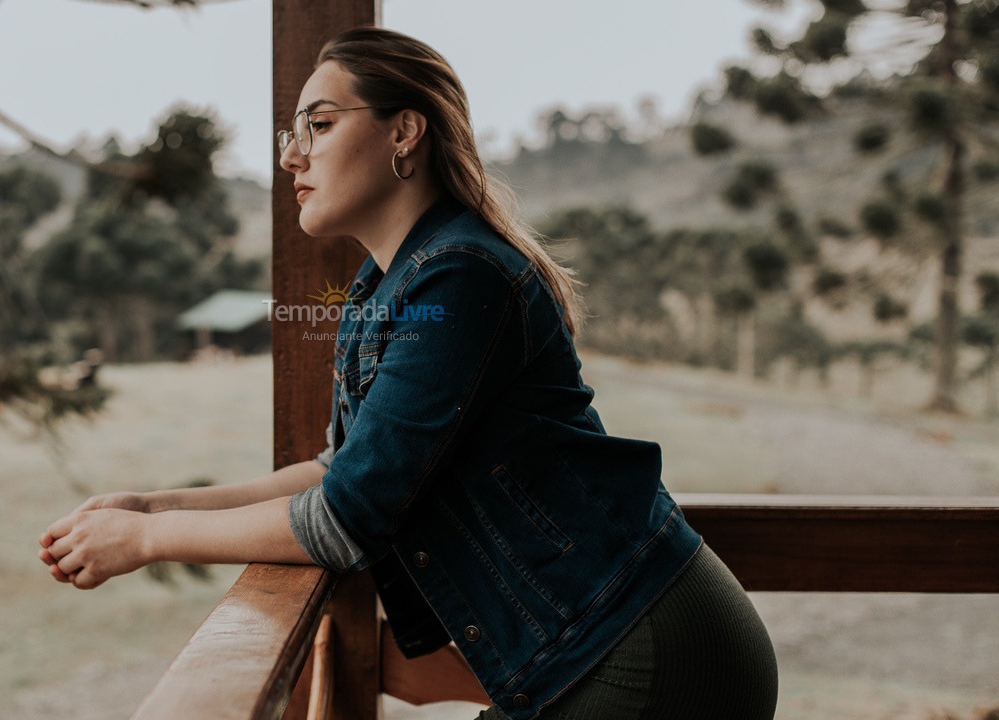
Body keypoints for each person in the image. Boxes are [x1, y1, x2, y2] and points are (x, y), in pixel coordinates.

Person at [39, 26, 778, 720]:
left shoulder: (461, 277)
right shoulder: (380, 287)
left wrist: (145, 544)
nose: (292, 158)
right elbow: (336, 472)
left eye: (320, 126)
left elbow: (345, 519)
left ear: (404, 130)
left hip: (644, 648)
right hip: (584, 650)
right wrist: (155, 507)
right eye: (290, 136)